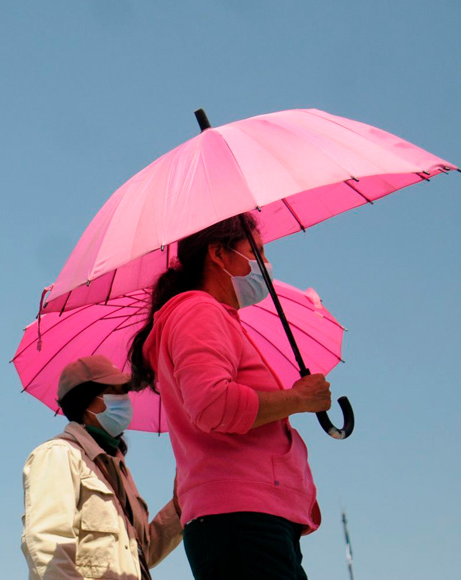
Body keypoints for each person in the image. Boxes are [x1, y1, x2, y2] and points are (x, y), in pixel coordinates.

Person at [127, 214, 332, 580]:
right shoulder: (199, 311)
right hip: (243, 520)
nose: (265, 265)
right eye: (257, 251)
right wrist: (297, 399)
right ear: (219, 255)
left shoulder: (211, 316)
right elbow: (213, 405)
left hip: (248, 518)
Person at [21, 355, 182, 580]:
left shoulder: (116, 467)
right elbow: (47, 545)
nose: (124, 399)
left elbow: (141, 553)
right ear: (88, 401)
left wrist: (180, 504)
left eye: (124, 391)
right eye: (114, 391)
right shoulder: (59, 454)